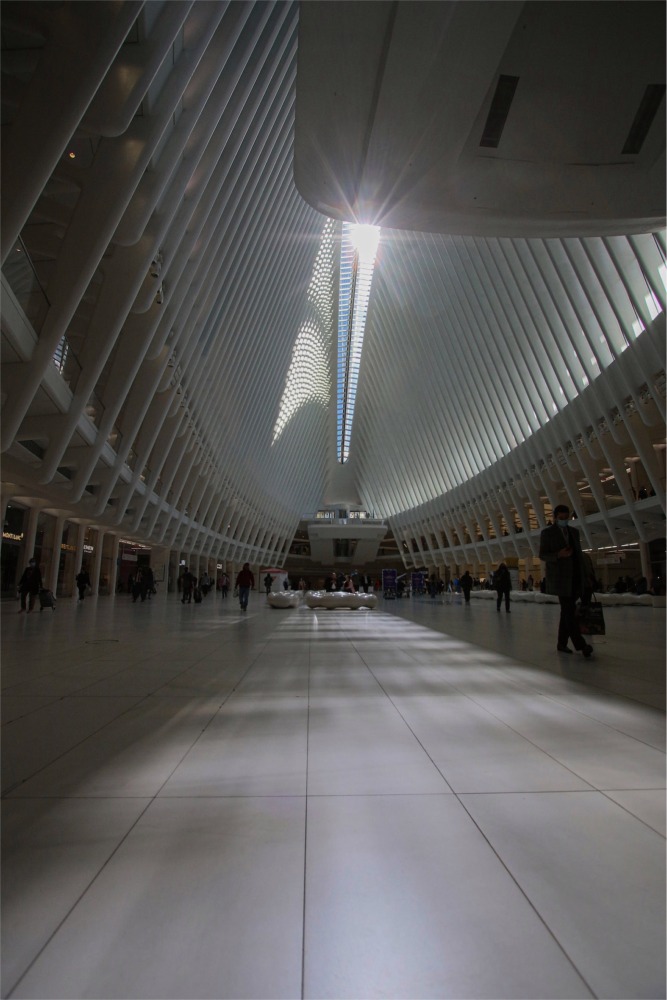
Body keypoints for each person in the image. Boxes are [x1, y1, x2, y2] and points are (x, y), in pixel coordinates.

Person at [539, 504, 593, 658]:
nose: (564, 520)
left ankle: (561, 643)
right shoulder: (547, 533)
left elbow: (579, 556)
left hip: (575, 577)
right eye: (561, 518)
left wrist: (586, 576)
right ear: (555, 518)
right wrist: (558, 555)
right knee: (569, 612)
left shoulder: (574, 532)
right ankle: (581, 645)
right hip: (560, 579)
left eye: (566, 518)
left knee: (566, 612)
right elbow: (542, 555)